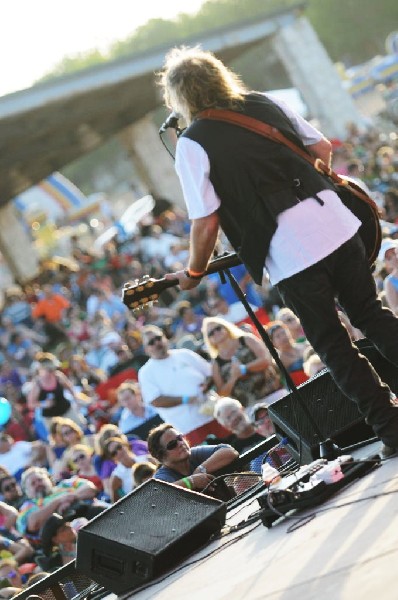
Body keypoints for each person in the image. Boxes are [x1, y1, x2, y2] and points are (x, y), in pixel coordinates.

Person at [159, 46, 398, 458]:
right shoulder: (263, 103)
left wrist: (194, 272)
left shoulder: (192, 143)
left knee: (335, 347)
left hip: (292, 252)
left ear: (180, 97)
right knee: (371, 315)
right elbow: (321, 149)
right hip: (336, 224)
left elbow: (205, 221)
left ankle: (391, 427)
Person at [138, 325, 227, 446]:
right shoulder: (146, 372)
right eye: (151, 342)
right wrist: (186, 399)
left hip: (216, 414)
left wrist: (207, 385)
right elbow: (155, 400)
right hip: (189, 428)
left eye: (159, 338)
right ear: (146, 349)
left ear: (165, 338)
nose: (157, 343)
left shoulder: (184, 354)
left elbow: (211, 372)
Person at [202, 316, 286, 408]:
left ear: (225, 327)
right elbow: (222, 393)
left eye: (218, 328)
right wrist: (233, 377)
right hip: (250, 406)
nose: (216, 333)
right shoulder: (216, 364)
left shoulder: (246, 340)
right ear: (209, 339)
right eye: (211, 333)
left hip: (274, 392)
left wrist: (244, 368)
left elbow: (266, 360)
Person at [147, 423, 238, 492]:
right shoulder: (162, 476)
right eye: (172, 444)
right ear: (161, 456)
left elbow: (230, 451)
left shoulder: (193, 453)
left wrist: (200, 469)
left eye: (180, 438)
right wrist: (192, 481)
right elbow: (161, 493)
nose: (180, 443)